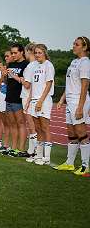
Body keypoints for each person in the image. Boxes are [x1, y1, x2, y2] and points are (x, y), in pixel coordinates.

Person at [55, 36, 90, 176]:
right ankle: (69, 163)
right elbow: (70, 83)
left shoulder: (85, 62)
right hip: (70, 101)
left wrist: (80, 107)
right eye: (74, 44)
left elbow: (84, 85)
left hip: (78, 101)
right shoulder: (74, 61)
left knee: (81, 133)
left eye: (77, 44)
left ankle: (85, 165)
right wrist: (62, 99)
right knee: (71, 133)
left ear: (85, 47)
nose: (73, 46)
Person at [28, 44, 55, 165]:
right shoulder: (35, 66)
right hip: (34, 100)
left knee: (45, 128)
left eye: (39, 52)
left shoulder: (48, 65)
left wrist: (40, 101)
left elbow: (48, 84)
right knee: (38, 128)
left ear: (44, 53)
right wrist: (31, 100)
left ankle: (47, 157)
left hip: (43, 100)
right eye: (36, 53)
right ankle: (39, 155)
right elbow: (33, 85)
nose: (37, 55)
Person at [1, 44, 29, 157]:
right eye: (11, 53)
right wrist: (4, 75)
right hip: (9, 96)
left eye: (15, 53)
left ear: (22, 52)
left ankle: (21, 149)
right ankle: (13, 148)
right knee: (12, 124)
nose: (13, 55)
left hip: (19, 98)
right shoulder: (11, 64)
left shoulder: (26, 65)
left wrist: (13, 75)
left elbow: (26, 82)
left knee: (21, 123)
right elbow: (7, 82)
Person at [20, 43, 38, 161]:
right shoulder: (35, 65)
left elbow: (27, 85)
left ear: (28, 52)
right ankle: (32, 150)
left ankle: (34, 151)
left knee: (32, 127)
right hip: (29, 97)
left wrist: (20, 80)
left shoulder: (31, 66)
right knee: (32, 126)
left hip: (29, 98)